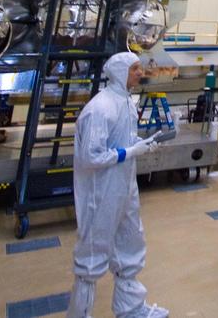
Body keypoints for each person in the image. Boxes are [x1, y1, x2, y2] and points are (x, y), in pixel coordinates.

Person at [67, 52, 167, 318]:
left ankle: (131, 308)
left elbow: (124, 138)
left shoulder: (125, 101)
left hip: (125, 186)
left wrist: (141, 144)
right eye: (135, 68)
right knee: (93, 254)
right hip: (101, 192)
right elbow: (91, 156)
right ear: (120, 72)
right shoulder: (100, 108)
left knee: (130, 243)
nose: (140, 72)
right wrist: (129, 152)